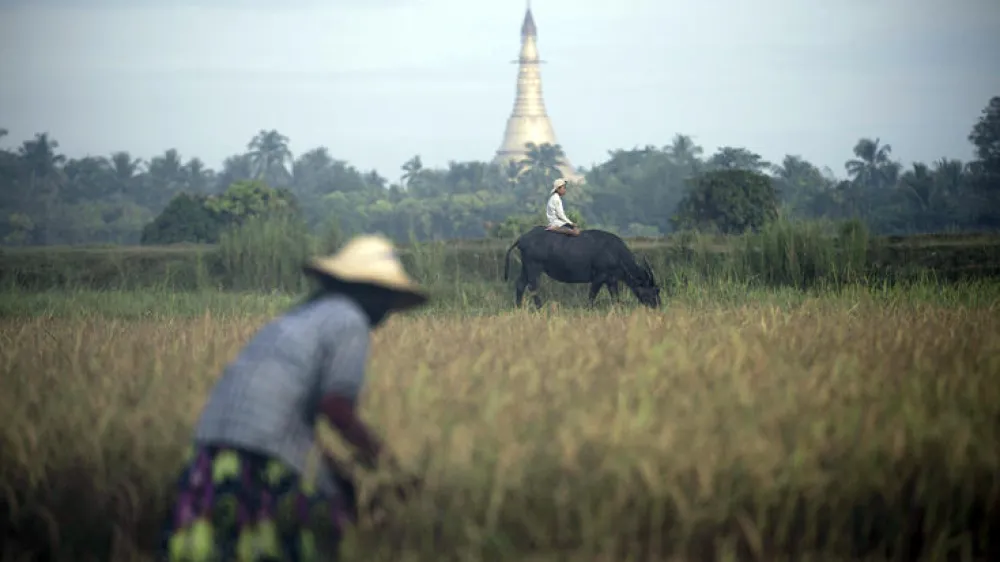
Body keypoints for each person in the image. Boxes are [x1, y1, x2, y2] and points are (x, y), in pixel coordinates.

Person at [159, 234, 429, 562]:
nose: (388, 310)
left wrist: (336, 465)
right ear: (368, 291)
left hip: (212, 447)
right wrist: (387, 465)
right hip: (262, 457)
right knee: (313, 534)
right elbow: (336, 409)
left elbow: (290, 417)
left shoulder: (300, 317)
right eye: (386, 297)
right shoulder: (349, 320)